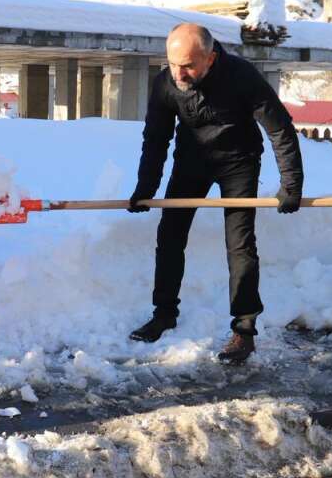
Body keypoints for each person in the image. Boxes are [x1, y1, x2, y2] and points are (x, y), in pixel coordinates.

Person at [127, 22, 304, 365]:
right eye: (173, 62)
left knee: (239, 243)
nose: (179, 72)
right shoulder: (167, 82)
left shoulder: (242, 76)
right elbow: (156, 137)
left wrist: (291, 185)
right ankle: (164, 314)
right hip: (192, 160)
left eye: (188, 65)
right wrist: (145, 188)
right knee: (170, 235)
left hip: (238, 161)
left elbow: (279, 128)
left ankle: (244, 328)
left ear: (210, 58)